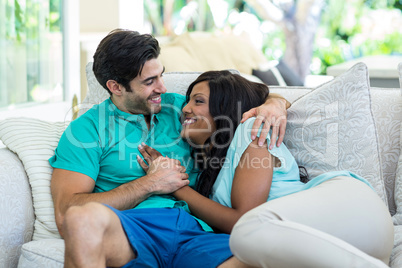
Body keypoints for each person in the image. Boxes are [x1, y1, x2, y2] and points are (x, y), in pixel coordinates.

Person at [49, 29, 289, 268]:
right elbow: (66, 213)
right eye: (149, 82)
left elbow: (242, 98)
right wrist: (150, 184)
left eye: (160, 76)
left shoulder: (179, 108)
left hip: (195, 231)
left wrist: (275, 105)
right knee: (81, 220)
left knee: (270, 259)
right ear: (116, 87)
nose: (162, 88)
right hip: (133, 228)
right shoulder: (86, 130)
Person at [139, 70, 394, 267]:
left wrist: (175, 186)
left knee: (245, 234)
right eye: (187, 101)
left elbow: (243, 219)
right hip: (346, 245)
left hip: (353, 210)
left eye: (198, 101)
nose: (185, 109)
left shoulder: (251, 130)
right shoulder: (214, 171)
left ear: (225, 109)